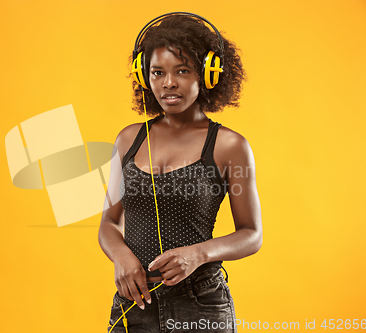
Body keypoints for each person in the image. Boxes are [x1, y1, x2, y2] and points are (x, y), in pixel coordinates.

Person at [98, 12, 262, 332]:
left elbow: (251, 234)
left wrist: (199, 254)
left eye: (182, 71)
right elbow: (107, 222)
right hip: (134, 303)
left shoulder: (228, 146)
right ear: (145, 77)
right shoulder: (128, 139)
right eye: (157, 72)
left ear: (208, 75)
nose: (168, 82)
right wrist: (121, 256)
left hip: (200, 303)